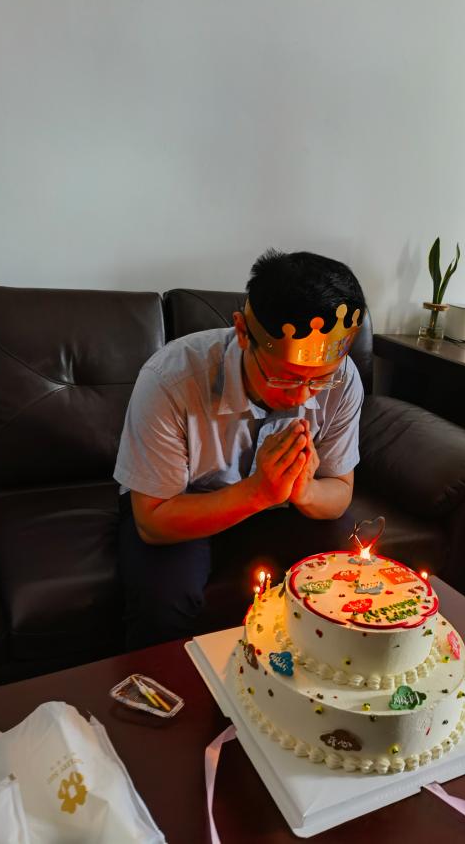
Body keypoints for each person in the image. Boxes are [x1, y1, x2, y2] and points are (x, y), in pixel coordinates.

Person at [114, 249, 366, 649]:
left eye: (320, 380)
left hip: (282, 506)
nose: (303, 395)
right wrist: (258, 493)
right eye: (286, 378)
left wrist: (305, 491)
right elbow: (153, 520)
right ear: (243, 333)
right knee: (162, 600)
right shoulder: (171, 379)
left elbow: (340, 489)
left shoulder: (344, 379)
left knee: (343, 575)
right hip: (185, 500)